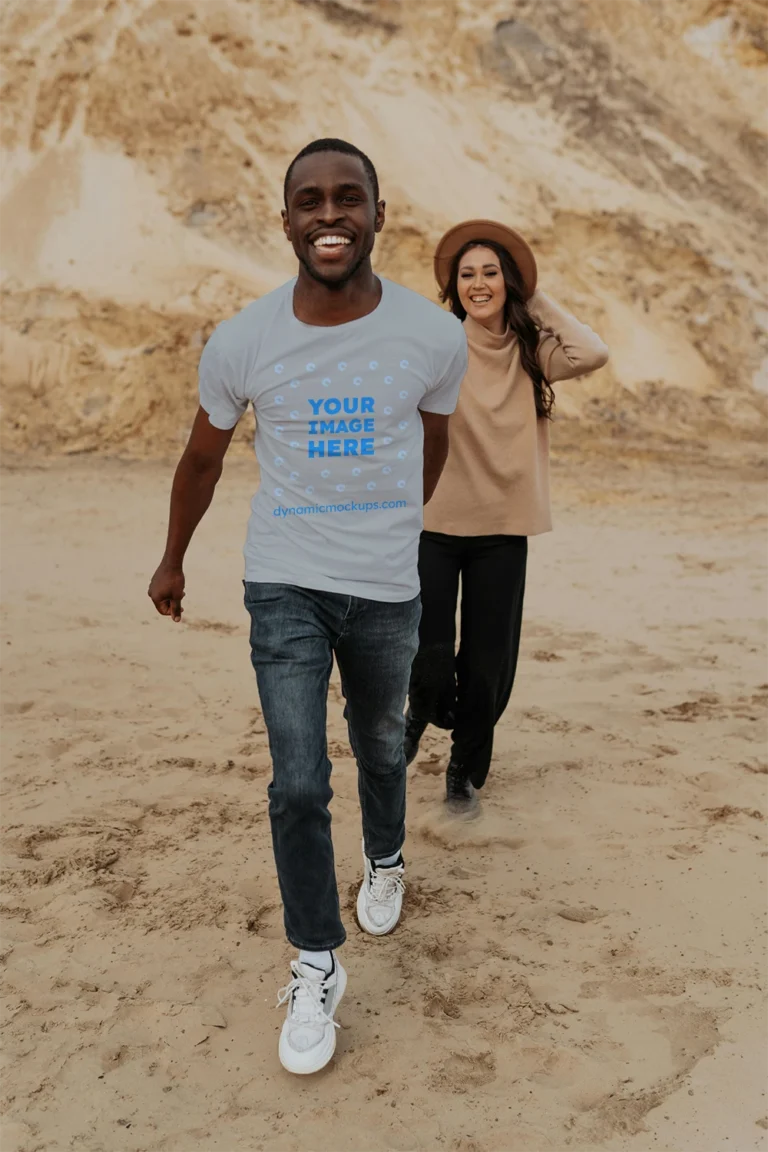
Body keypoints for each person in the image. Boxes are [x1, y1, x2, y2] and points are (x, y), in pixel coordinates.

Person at [148, 139, 467, 1075]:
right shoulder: (243, 339)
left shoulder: (431, 336)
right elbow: (203, 459)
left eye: (348, 199)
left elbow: (432, 446)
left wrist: (400, 528)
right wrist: (173, 559)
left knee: (378, 745)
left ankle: (385, 856)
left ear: (378, 213)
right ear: (285, 219)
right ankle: (316, 960)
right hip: (282, 579)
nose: (330, 216)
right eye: (310, 202)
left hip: (385, 587)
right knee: (296, 779)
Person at [404, 219, 609, 812]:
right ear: (454, 286)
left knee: (487, 663)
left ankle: (461, 774)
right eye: (466, 275)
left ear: (508, 280)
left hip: (502, 530)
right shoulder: (439, 343)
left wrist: (532, 294)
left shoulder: (534, 350)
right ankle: (418, 710)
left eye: (491, 272)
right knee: (430, 650)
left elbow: (592, 351)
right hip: (434, 526)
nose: (478, 283)